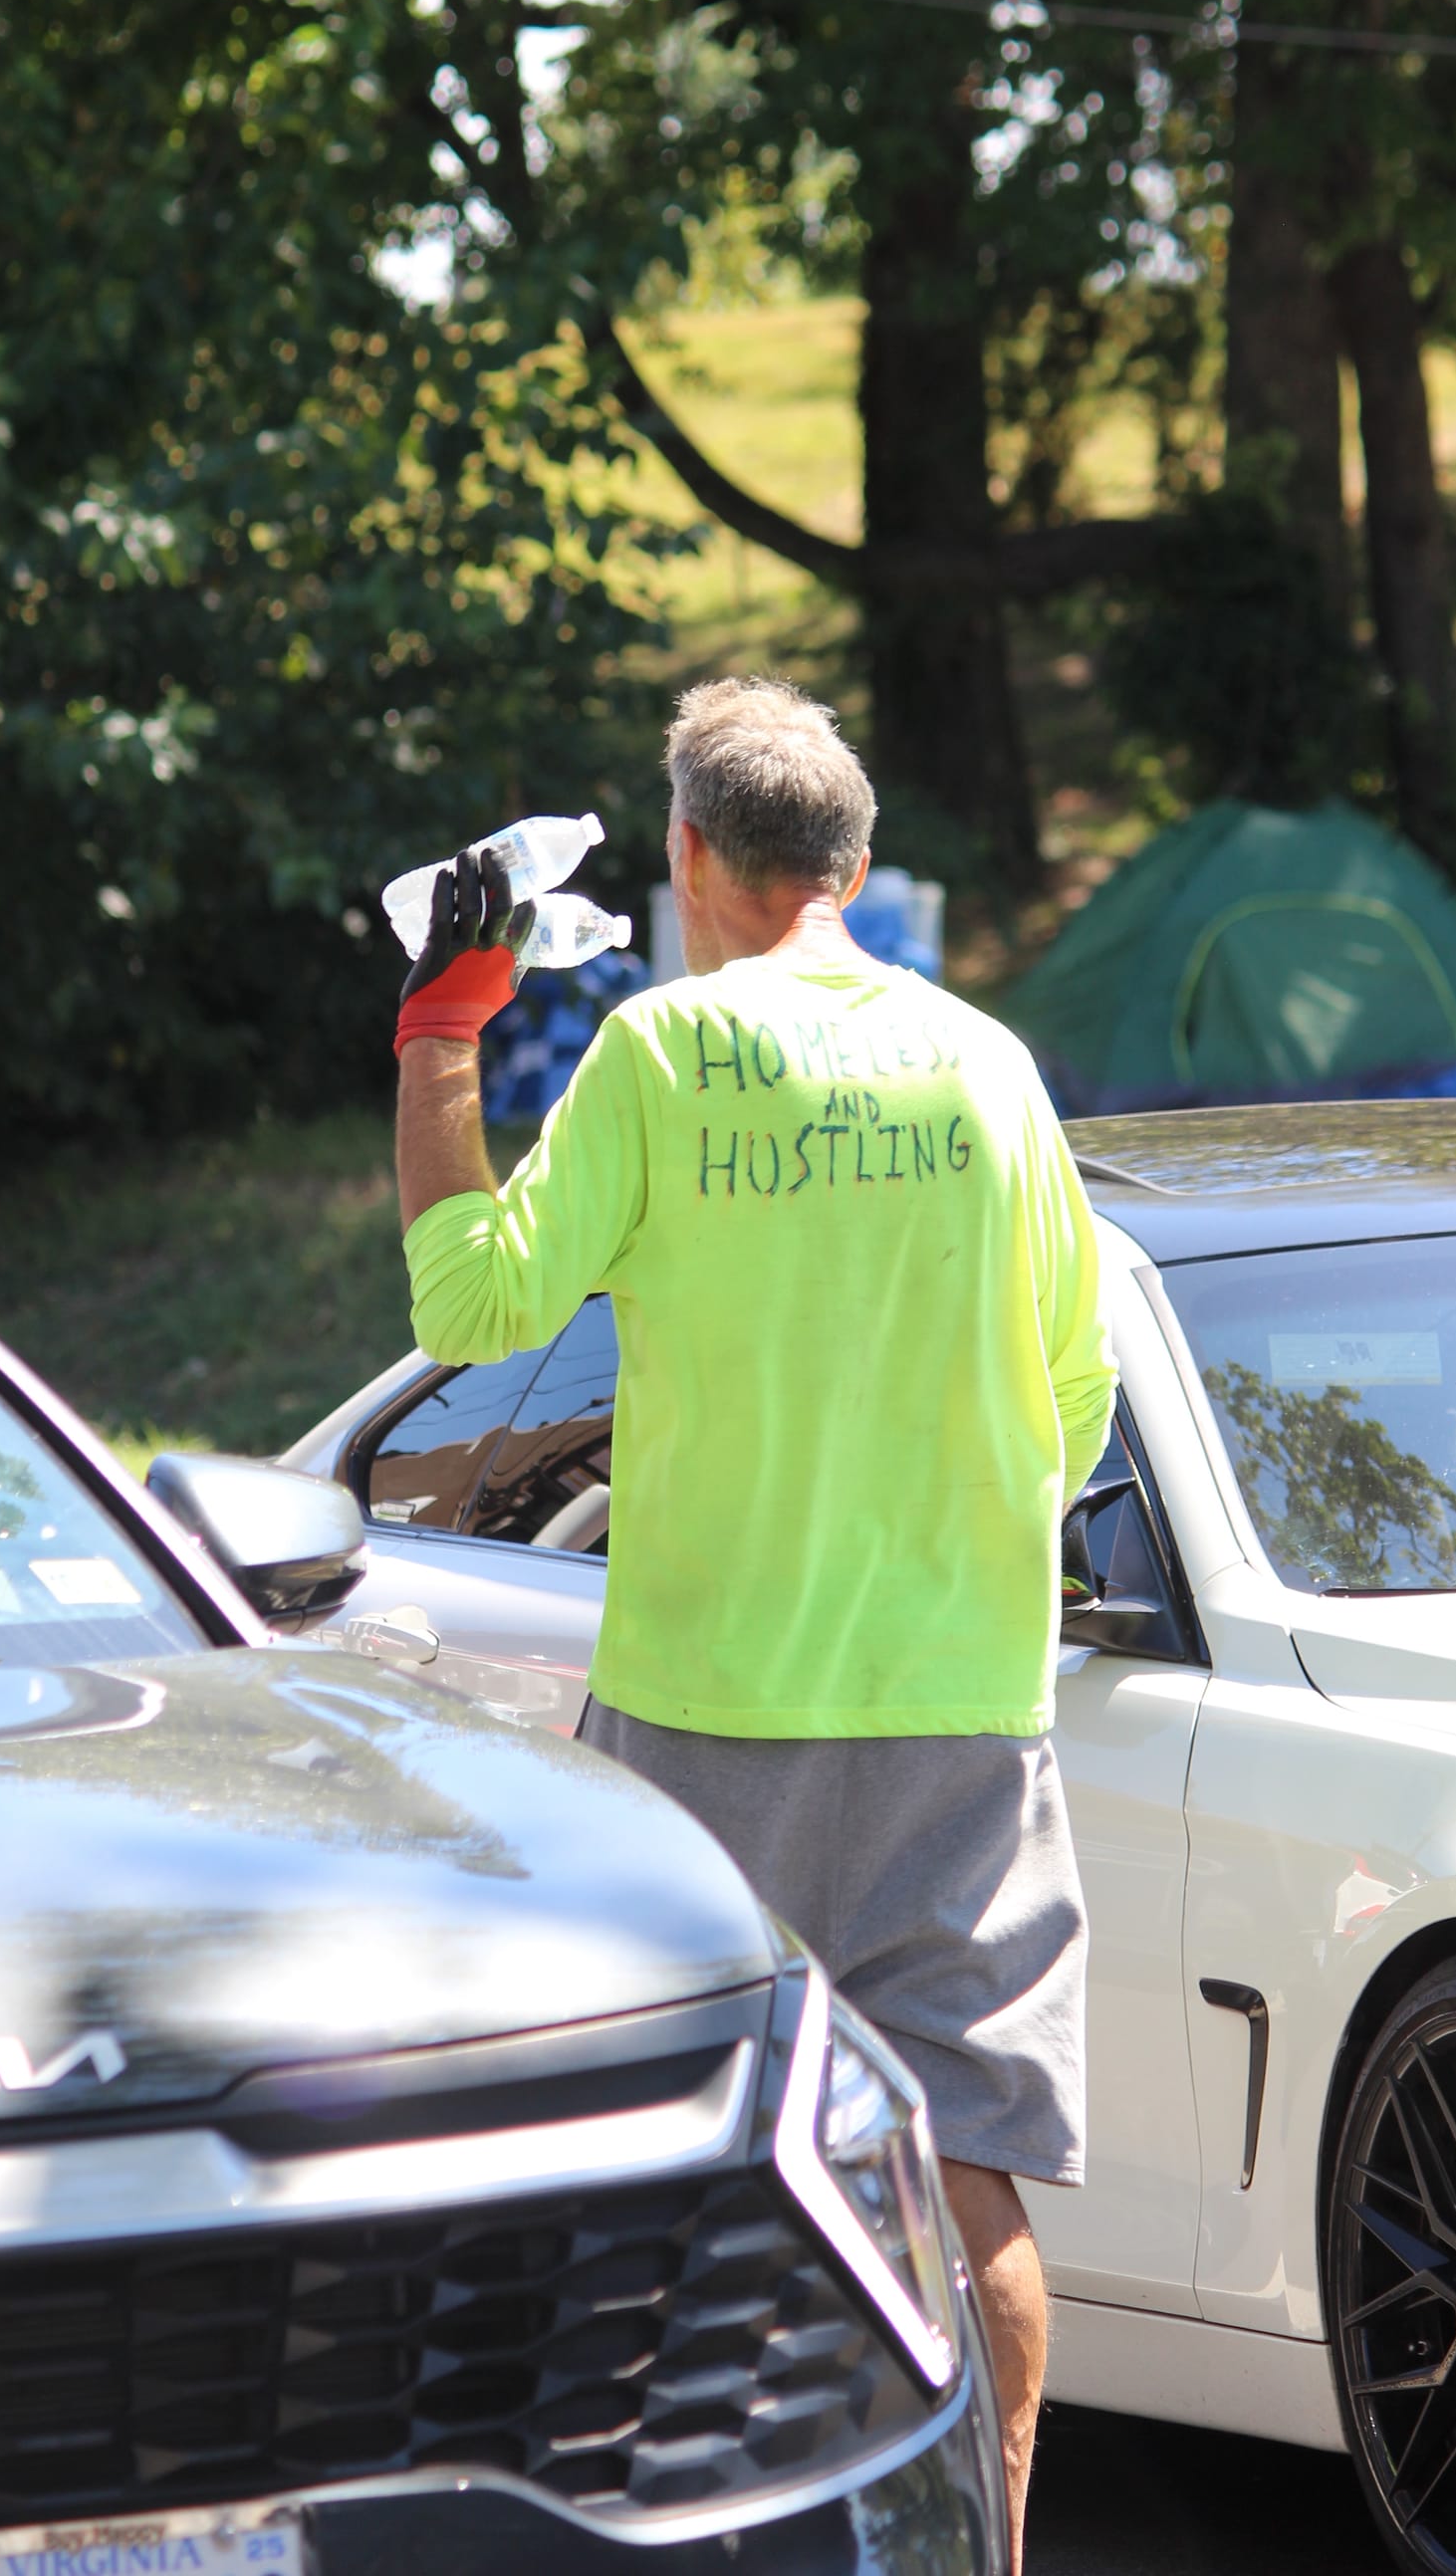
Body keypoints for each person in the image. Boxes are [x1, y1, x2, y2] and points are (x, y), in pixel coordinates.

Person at [392, 678, 1116, 2572]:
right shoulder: (992, 1067)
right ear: (857, 873)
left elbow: (475, 1307)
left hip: (706, 1715)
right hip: (959, 1708)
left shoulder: (660, 1053)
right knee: (970, 2172)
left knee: (672, 2154)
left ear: (692, 860)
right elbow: (1080, 1391)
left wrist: (442, 1032)